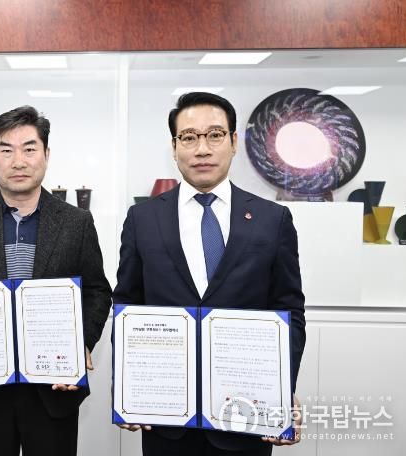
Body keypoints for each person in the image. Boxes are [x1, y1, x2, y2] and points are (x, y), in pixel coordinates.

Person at [112, 92, 306, 455]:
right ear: (174, 148)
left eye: (215, 135)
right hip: (166, 421)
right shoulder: (142, 219)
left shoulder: (272, 219)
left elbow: (289, 310)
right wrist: (126, 387)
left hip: (245, 418)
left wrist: (281, 388)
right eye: (189, 137)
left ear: (233, 142)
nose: (202, 149)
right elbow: (127, 304)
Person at [0, 105, 112, 456]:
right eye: (6, 150)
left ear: (46, 154)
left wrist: (82, 344)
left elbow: (96, 291)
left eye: (29, 149)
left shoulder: (76, 221)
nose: (18, 161)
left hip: (53, 386)